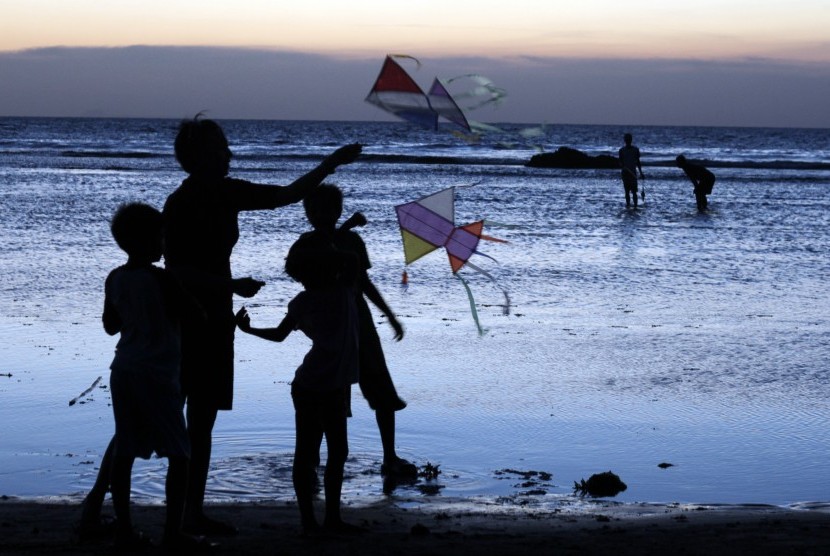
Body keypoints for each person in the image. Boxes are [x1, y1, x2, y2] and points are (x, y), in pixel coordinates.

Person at [162, 115, 361, 535]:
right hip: (190, 320)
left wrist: (330, 165)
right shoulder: (180, 204)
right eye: (219, 148)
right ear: (198, 156)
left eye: (225, 147)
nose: (227, 154)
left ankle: (189, 514)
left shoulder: (225, 193)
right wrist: (229, 283)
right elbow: (177, 270)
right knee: (184, 423)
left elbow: (285, 195)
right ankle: (175, 521)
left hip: (217, 319)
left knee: (202, 422)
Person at [95, 203, 205, 549]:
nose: (163, 243)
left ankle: (125, 528)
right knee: (179, 452)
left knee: (126, 447)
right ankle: (173, 532)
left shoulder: (115, 277)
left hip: (124, 368)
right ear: (148, 240)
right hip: (157, 372)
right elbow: (195, 315)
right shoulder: (162, 279)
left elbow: (110, 326)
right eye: (160, 236)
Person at [288, 184, 416, 479]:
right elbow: (305, 274)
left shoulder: (351, 241)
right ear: (307, 213)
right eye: (313, 210)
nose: (319, 215)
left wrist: (390, 315)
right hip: (331, 324)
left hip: (360, 321)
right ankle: (315, 461)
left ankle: (389, 456)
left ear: (337, 210)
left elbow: (364, 282)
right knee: (329, 391)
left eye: (326, 210)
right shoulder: (307, 244)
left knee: (381, 390)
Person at [235, 242, 362, 535]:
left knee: (335, 452)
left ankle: (328, 519)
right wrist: (249, 330)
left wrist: (249, 330)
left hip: (332, 384)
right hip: (314, 386)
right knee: (311, 453)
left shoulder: (338, 292)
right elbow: (351, 258)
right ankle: (312, 521)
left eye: (304, 273)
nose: (303, 280)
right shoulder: (334, 293)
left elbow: (352, 259)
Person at [618, 133, 644, 208]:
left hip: (633, 173)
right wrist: (622, 165)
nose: (627, 140)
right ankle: (628, 205)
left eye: (629, 139)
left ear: (631, 140)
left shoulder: (635, 150)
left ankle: (635, 206)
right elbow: (620, 161)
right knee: (627, 191)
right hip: (625, 173)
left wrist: (641, 172)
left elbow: (638, 162)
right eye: (626, 139)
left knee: (634, 192)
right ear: (624, 140)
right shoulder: (621, 150)